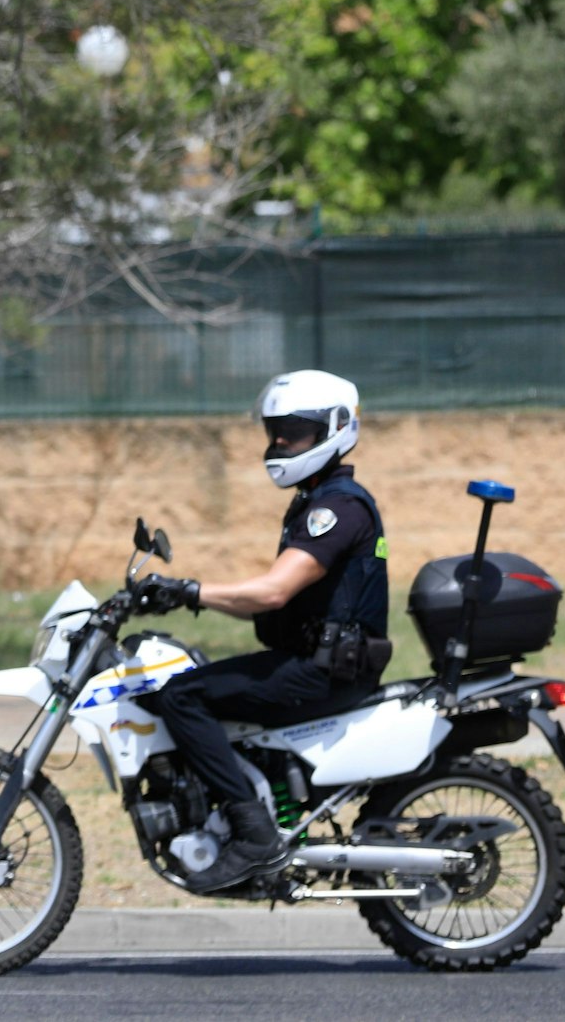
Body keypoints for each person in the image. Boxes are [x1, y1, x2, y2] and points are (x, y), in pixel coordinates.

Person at [134, 369, 391, 894]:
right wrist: (182, 599)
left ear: (333, 430)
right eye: (274, 429)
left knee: (182, 697)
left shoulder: (338, 507)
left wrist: (188, 593)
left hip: (323, 671)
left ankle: (254, 837)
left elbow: (273, 592)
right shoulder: (317, 499)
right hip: (318, 661)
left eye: (293, 431)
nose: (278, 442)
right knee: (199, 676)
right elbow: (269, 604)